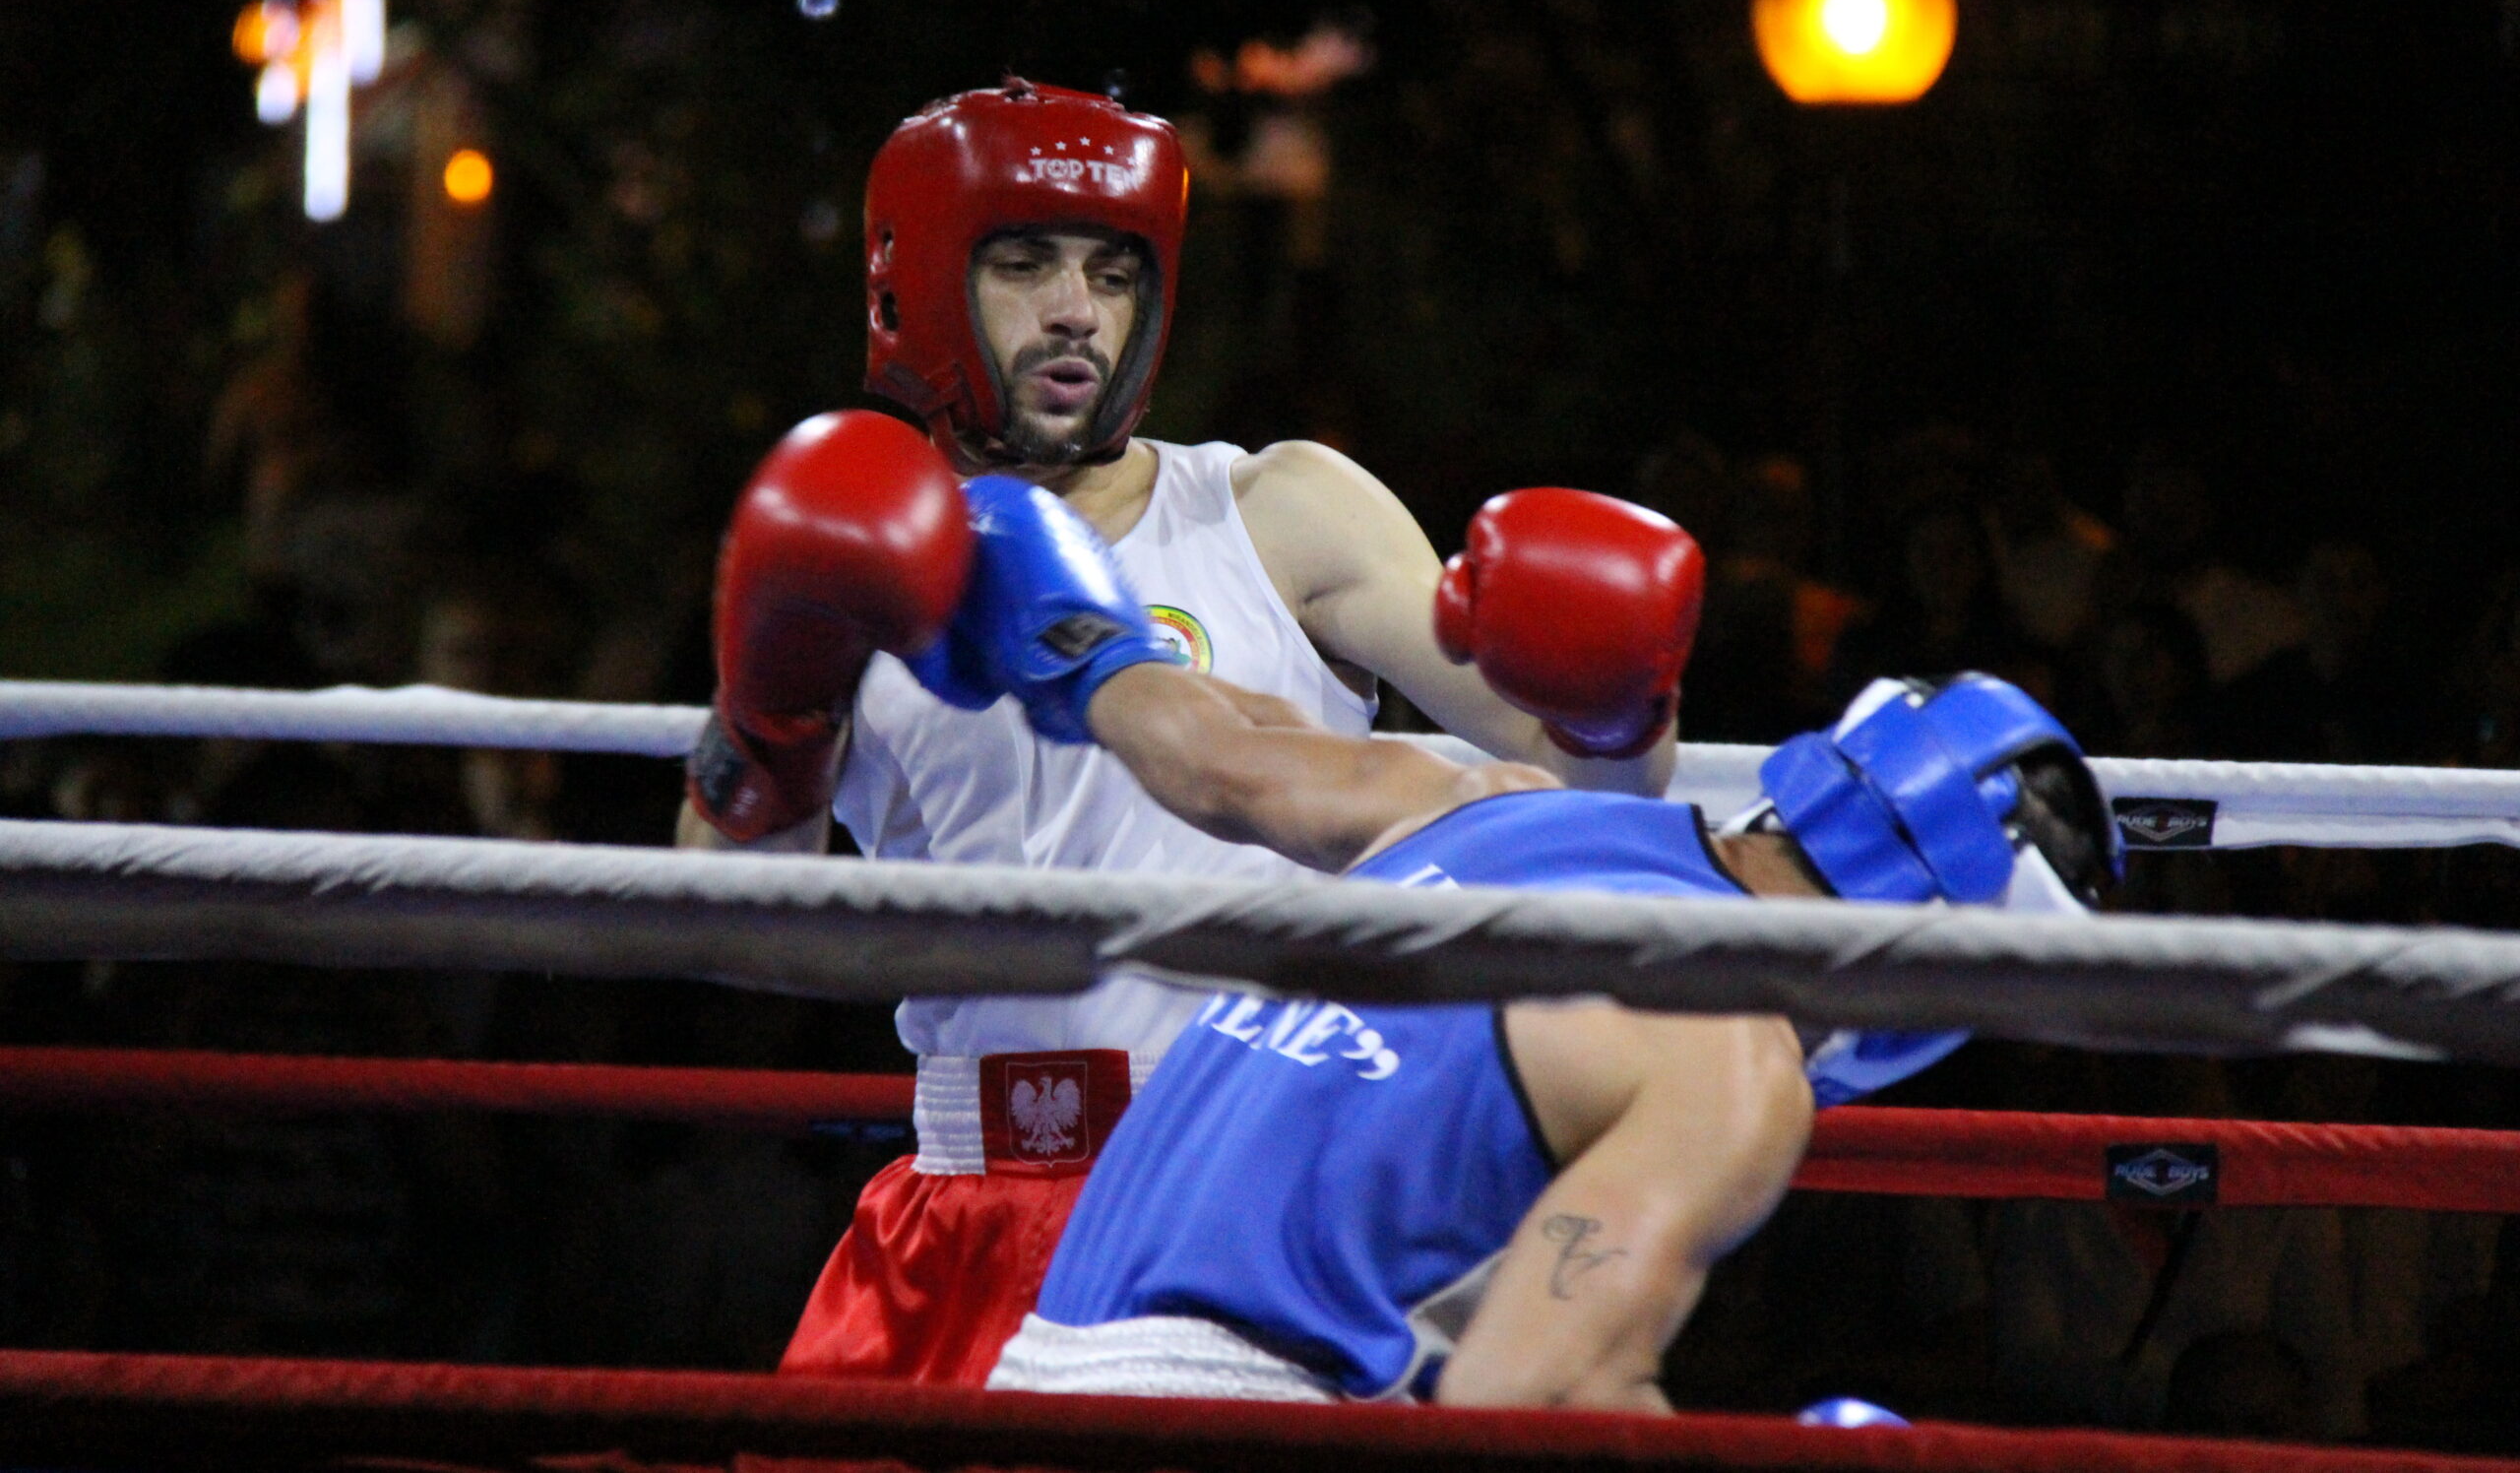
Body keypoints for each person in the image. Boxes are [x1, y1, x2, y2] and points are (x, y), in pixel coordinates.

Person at [674, 81, 1701, 1385]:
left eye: (1113, 275)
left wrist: (1622, 695)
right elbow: (731, 907)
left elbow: (1591, 785)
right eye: (1025, 265)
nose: (1076, 312)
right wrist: (773, 703)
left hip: (1269, 1190)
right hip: (978, 1199)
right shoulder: (853, 544)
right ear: (917, 286)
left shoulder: (1277, 513)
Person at [800, 447, 2120, 1409]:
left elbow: (1210, 756)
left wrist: (1074, 628)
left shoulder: (1491, 803)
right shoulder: (1735, 1062)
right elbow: (1514, 1406)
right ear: (1945, 954)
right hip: (1238, 1419)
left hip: (1043, 1366)